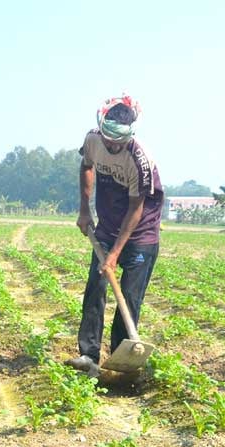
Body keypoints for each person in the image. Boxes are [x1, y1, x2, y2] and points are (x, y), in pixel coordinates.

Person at [67, 95, 164, 378]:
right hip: (107, 226)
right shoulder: (93, 140)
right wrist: (85, 210)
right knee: (95, 288)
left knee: (130, 299)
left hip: (141, 233)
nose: (111, 145)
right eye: (108, 139)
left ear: (130, 135)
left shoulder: (140, 160)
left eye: (117, 142)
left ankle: (122, 360)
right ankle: (89, 354)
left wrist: (114, 254)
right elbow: (86, 166)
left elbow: (136, 210)